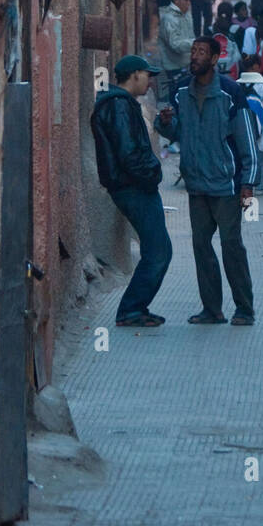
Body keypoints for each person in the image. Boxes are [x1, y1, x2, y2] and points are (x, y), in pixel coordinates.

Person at [158, 36, 258, 325]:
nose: (195, 56)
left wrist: (247, 183)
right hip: (196, 185)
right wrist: (165, 123)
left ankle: (244, 308)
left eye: (202, 52)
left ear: (214, 59)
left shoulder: (230, 93)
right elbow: (177, 133)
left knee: (231, 246)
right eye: (193, 51)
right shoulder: (180, 93)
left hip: (225, 185)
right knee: (201, 247)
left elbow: (247, 140)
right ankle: (212, 309)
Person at [90, 55, 171, 327]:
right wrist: (152, 174)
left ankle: (136, 307)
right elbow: (129, 152)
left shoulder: (118, 103)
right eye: (147, 75)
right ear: (134, 75)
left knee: (157, 249)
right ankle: (131, 310)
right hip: (133, 187)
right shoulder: (118, 105)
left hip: (131, 186)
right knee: (159, 251)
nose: (150, 81)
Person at [238, 54, 263, 195]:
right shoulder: (262, 84)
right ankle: (260, 185)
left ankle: (246, 183)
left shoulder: (238, 84)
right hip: (260, 121)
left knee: (244, 155)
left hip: (242, 122)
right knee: (259, 155)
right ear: (255, 68)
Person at [157, 0, 195, 98]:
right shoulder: (169, 18)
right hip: (173, 67)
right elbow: (175, 44)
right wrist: (195, 44)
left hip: (186, 65)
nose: (189, 3)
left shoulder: (186, 15)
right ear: (177, 0)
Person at [212, 1, 241, 79]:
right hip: (233, 71)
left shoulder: (210, 30)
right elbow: (241, 50)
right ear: (231, 14)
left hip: (214, 70)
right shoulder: (238, 30)